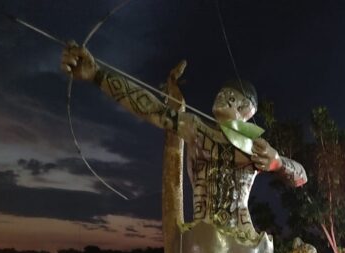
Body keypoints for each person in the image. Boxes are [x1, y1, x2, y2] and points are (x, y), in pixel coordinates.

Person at [60, 45, 306, 237]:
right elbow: (150, 108)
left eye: (230, 96)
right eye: (221, 92)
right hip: (200, 237)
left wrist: (277, 162)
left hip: (241, 236)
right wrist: (97, 74)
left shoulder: (256, 150)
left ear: (245, 108)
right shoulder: (195, 129)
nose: (221, 96)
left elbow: (301, 176)